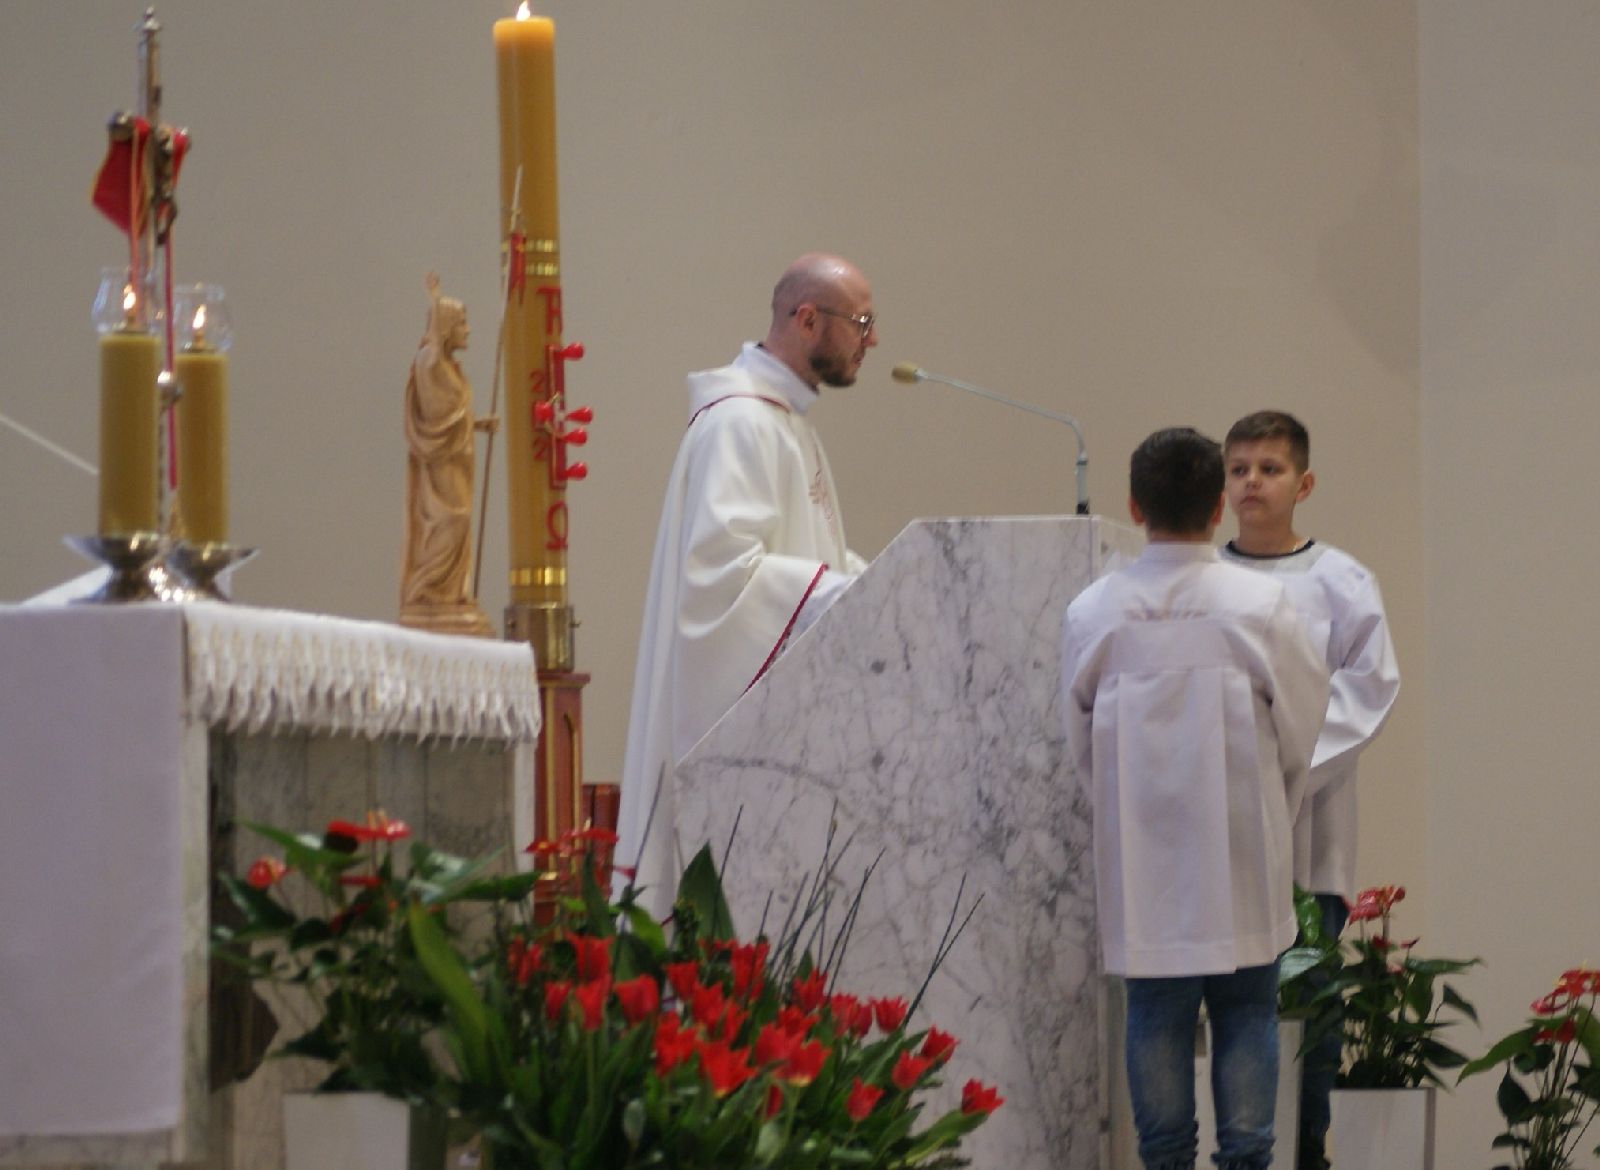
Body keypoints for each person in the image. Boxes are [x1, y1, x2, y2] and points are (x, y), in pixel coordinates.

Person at [1061, 427, 1328, 1170]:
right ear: (1218, 506)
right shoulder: (1261, 604)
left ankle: (1165, 1160)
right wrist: (1273, 810)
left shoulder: (1094, 612)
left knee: (1155, 1010)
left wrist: (1122, 814)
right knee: (1246, 1010)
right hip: (1242, 847)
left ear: (1133, 505)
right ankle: (1247, 1157)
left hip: (1143, 852)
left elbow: (1080, 745)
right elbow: (1304, 728)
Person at [617, 253, 878, 917]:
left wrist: (879, 584)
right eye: (860, 323)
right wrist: (843, 594)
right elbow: (723, 574)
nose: (871, 340)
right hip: (736, 745)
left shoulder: (783, 421)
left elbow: (808, 553)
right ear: (807, 319)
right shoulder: (741, 421)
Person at [1219, 410, 1400, 1170]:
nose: (1252, 482)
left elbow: (1368, 690)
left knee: (1309, 1003)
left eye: (1270, 469)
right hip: (1219, 833)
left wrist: (1282, 769)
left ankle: (1307, 1151)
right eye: (1238, 470)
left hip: (1309, 832)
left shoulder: (1341, 581)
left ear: (1305, 483)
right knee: (1226, 1009)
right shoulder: (1202, 578)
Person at [400, 272, 495, 637]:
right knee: (451, 520)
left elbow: (455, 415)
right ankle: (428, 589)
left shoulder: (446, 365)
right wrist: (469, 421)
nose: (468, 330)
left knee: (459, 522)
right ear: (446, 326)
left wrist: (477, 423)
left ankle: (450, 594)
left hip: (456, 459)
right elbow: (438, 417)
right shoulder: (429, 363)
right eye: (462, 323)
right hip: (441, 462)